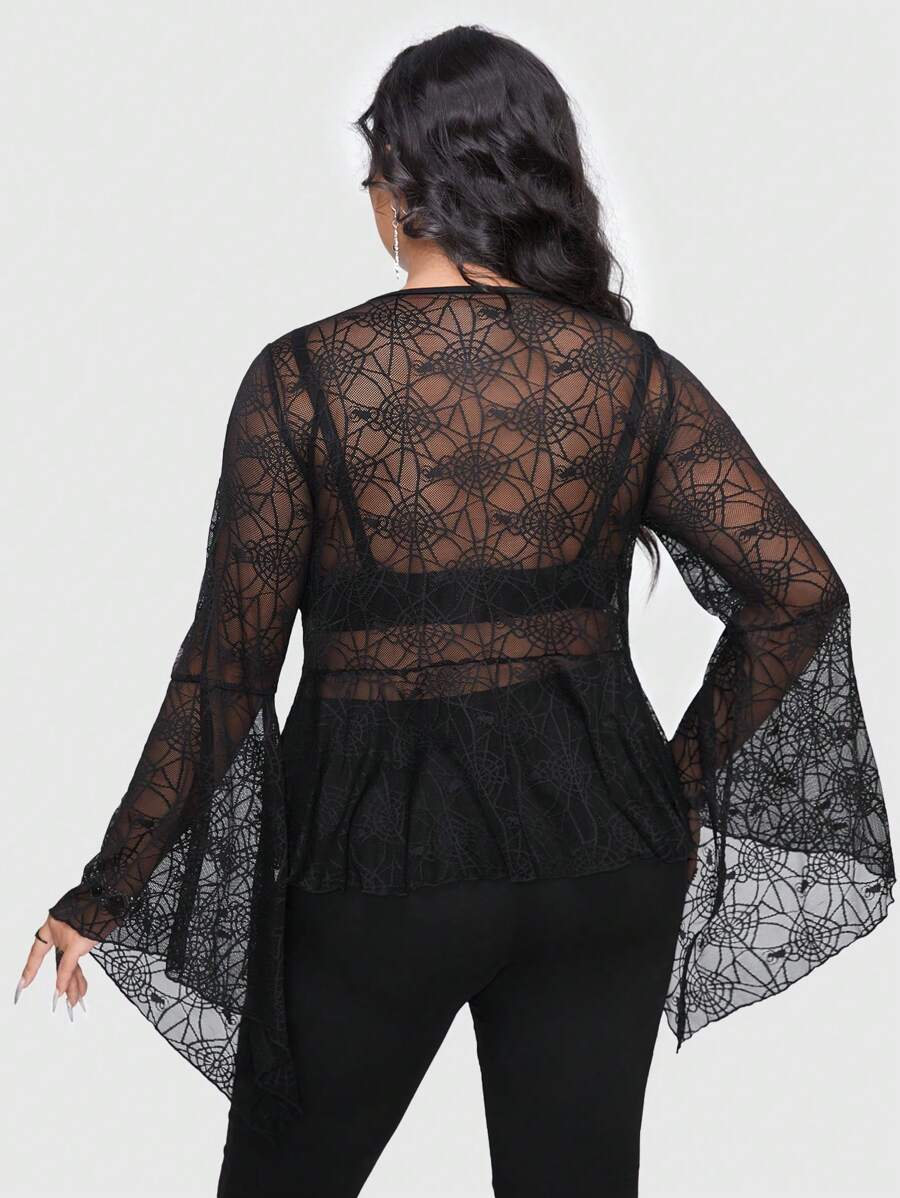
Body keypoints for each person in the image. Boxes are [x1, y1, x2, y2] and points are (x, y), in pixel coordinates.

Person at [16, 24, 894, 1198]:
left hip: (382, 867)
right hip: (603, 864)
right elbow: (800, 588)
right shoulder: (629, 377)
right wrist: (667, 785)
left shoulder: (304, 379)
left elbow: (228, 667)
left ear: (408, 183)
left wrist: (106, 890)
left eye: (374, 167)